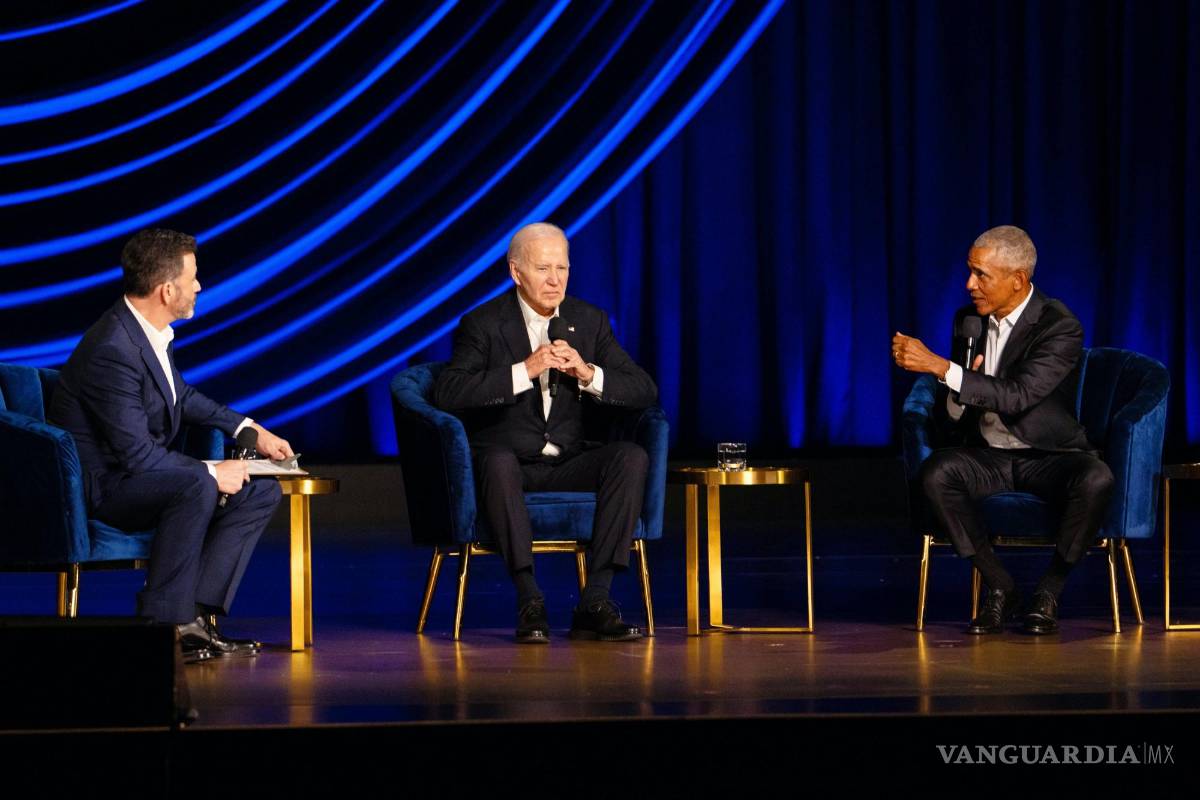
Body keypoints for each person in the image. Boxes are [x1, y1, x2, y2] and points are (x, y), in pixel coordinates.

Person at [49, 229, 293, 661]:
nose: (199, 286)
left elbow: (182, 396)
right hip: (108, 488)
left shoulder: (146, 332)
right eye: (193, 278)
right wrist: (212, 471)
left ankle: (194, 620)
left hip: (139, 476)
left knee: (260, 492)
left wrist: (249, 430)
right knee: (197, 484)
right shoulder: (113, 348)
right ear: (166, 290)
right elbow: (138, 457)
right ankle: (163, 625)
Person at [433, 222, 658, 644]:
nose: (555, 280)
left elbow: (644, 389)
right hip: (508, 463)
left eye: (563, 268)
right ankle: (529, 599)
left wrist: (588, 373)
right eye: (543, 269)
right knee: (497, 461)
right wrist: (525, 371)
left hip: (568, 460)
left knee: (630, 456)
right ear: (517, 272)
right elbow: (449, 392)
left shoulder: (589, 321)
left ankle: (595, 601)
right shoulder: (483, 323)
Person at [892, 225, 1113, 635]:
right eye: (970, 272)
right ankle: (1000, 585)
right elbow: (958, 405)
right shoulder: (969, 322)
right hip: (988, 453)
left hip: (1047, 455)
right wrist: (957, 392)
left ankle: (1049, 590)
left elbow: (1018, 396)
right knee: (936, 474)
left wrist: (943, 367)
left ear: (1018, 280)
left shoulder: (1059, 326)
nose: (969, 285)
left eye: (981, 275)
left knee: (1096, 478)